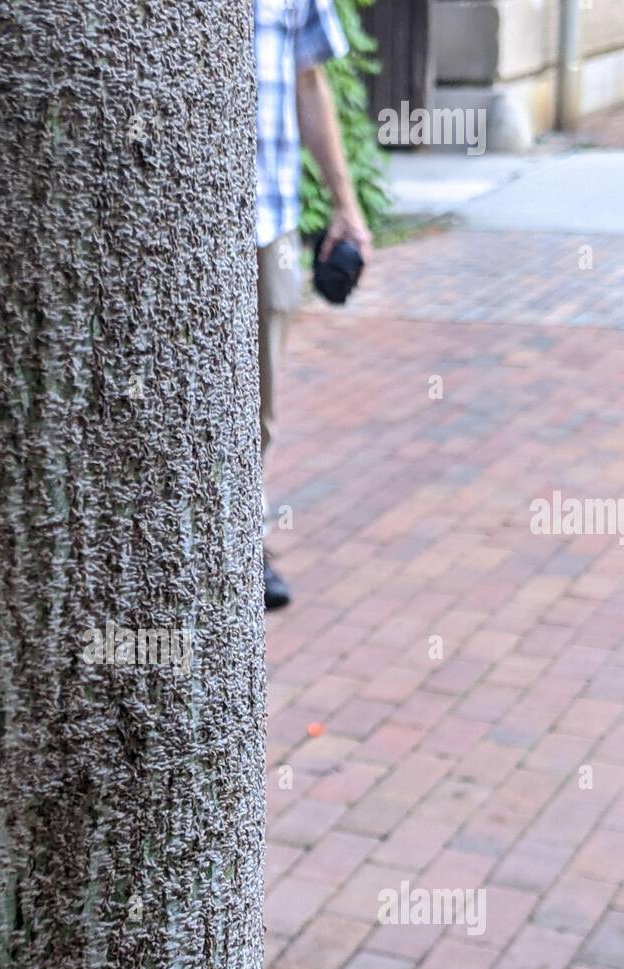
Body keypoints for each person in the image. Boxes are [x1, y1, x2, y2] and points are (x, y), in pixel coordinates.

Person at [256, 0, 373, 609]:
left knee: (261, 404)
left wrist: (345, 205)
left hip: (269, 220)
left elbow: (310, 80)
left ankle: (247, 539)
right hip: (184, 226)